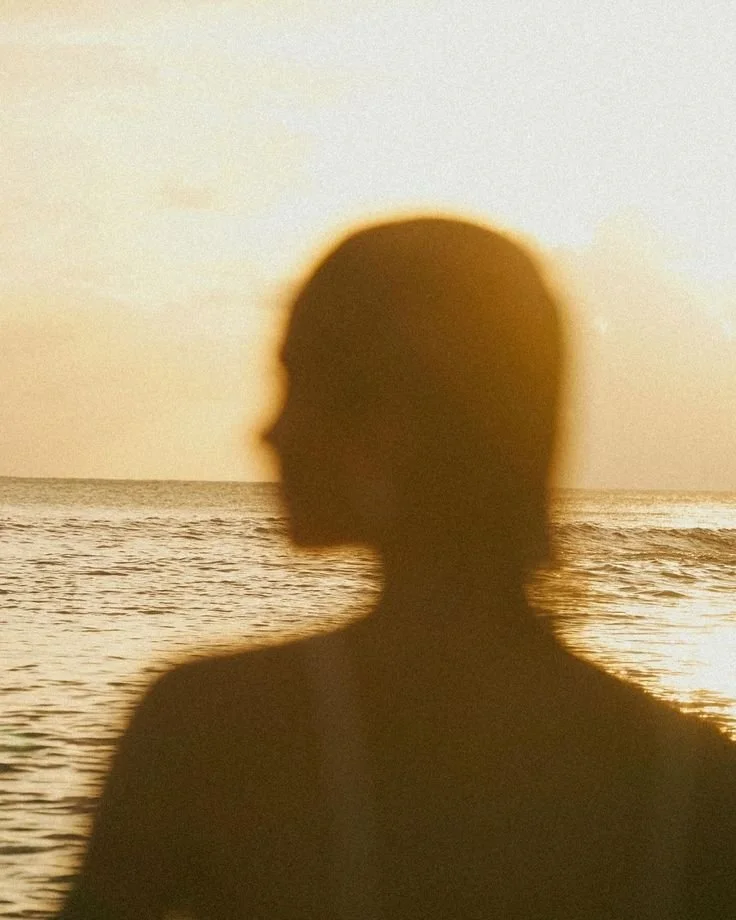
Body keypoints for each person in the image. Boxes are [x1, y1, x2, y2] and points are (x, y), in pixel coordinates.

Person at [58, 216, 736, 919]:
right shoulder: (694, 778)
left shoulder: (216, 728)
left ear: (391, 425)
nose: (267, 431)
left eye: (295, 384)